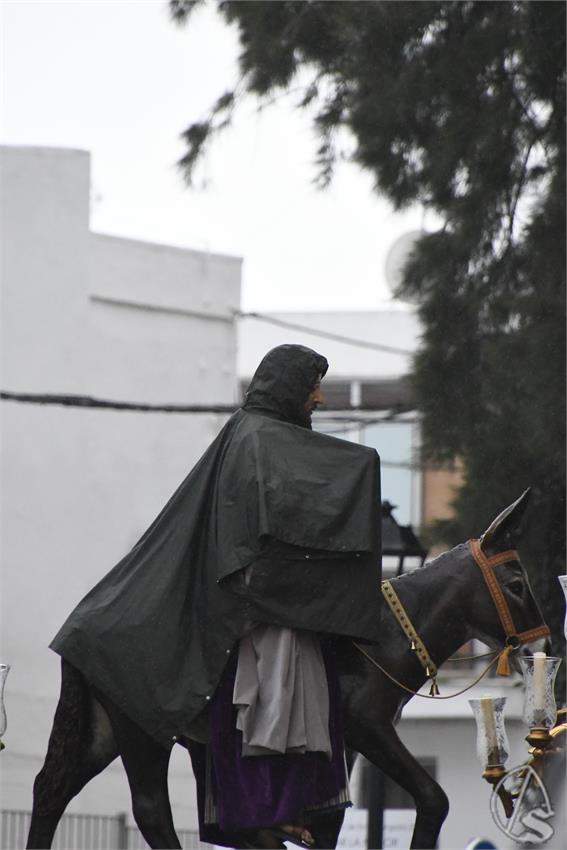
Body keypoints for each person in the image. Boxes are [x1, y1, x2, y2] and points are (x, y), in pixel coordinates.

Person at [50, 344, 383, 848]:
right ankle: (270, 812)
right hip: (251, 627)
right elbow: (312, 490)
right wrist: (364, 470)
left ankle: (281, 813)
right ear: (290, 385)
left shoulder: (255, 436)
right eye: (312, 383)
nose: (319, 396)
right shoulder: (259, 439)